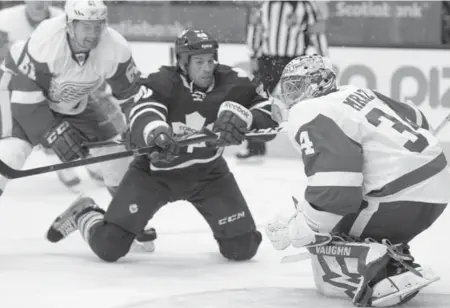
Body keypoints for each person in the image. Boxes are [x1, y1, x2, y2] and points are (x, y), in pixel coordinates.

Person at [45, 29, 278, 263]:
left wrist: (247, 118)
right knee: (109, 246)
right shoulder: (161, 80)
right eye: (199, 62)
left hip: (209, 174)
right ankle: (85, 212)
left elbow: (270, 117)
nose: (208, 68)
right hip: (154, 175)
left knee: (242, 248)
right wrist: (156, 133)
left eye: (210, 60)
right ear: (182, 62)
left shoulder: (235, 82)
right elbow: (144, 111)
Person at [265, 55, 449, 307]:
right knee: (335, 214)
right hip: (435, 187)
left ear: (318, 82)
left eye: (297, 85)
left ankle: (381, 268)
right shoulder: (356, 92)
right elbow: (417, 118)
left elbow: (336, 192)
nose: (291, 94)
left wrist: (303, 228)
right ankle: (391, 252)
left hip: (400, 196)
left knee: (329, 231)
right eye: (288, 87)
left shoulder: (308, 110)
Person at [0, 0, 137, 198]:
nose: (93, 34)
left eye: (98, 26)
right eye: (86, 27)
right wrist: (51, 134)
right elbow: (26, 98)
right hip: (18, 90)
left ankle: (127, 219)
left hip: (71, 98)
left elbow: (131, 95)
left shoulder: (116, 48)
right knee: (12, 153)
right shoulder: (46, 40)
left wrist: (141, 125)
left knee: (115, 155)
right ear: (70, 25)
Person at [0, 0, 96, 188]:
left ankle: (71, 157)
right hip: (10, 86)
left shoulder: (63, 19)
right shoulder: (5, 20)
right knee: (16, 137)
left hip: (48, 85)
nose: (39, 2)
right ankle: (61, 155)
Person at [236, 0, 328, 162]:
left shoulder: (305, 5)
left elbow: (316, 31)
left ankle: (316, 147)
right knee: (256, 100)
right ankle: (255, 147)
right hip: (267, 59)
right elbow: (255, 28)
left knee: (304, 104)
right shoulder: (265, 4)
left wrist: (323, 58)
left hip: (295, 60)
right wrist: (252, 54)